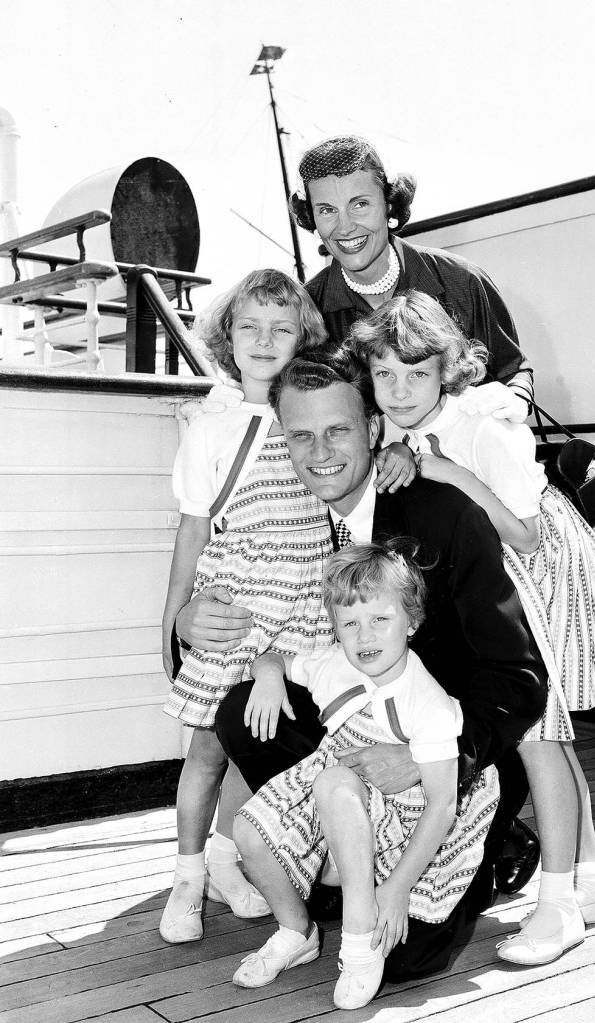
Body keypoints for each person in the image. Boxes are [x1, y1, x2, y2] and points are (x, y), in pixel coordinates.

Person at [200, 349, 548, 981]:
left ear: (374, 430)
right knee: (242, 711)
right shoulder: (288, 514)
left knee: (402, 964)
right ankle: (335, 875)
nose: (319, 452)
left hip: (447, 755)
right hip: (351, 743)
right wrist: (188, 620)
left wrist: (424, 760)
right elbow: (223, 586)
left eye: (338, 430)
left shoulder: (443, 516)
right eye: (301, 435)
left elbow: (518, 680)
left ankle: (494, 843)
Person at [350, 290, 595, 966]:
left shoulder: (484, 430)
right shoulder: (395, 429)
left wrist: (451, 474)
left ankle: (559, 905)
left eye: (417, 373)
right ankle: (589, 879)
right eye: (384, 375)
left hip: (536, 574)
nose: (400, 389)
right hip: (493, 577)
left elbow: (525, 533)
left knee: (536, 736)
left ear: (446, 371)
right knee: (551, 741)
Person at [231, 541, 500, 1009]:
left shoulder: (427, 702)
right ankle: (297, 931)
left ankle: (359, 933)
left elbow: (442, 804)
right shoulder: (334, 665)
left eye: (380, 619)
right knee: (249, 830)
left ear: (411, 622)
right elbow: (271, 658)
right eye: (349, 624)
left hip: (406, 817)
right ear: (335, 630)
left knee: (334, 783)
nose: (365, 636)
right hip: (341, 795)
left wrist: (395, 890)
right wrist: (269, 677)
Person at [158, 269, 336, 944]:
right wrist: (172, 624)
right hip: (236, 601)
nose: (264, 339)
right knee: (206, 749)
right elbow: (193, 529)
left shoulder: (312, 413)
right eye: (249, 325)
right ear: (226, 335)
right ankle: (188, 876)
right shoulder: (210, 424)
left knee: (269, 738)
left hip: (305, 604)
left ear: (303, 337)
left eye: (281, 327)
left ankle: (240, 858)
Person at [289, 133, 534, 423]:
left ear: (388, 205)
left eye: (360, 204)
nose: (344, 227)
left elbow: (513, 370)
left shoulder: (462, 280)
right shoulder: (306, 308)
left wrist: (516, 397)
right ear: (311, 218)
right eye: (327, 210)